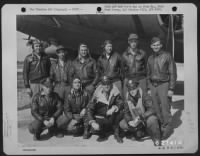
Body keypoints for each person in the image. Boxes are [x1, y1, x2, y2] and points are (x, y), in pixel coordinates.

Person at [147, 37, 177, 140]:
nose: (156, 47)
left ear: (161, 45)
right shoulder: (150, 58)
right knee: (156, 108)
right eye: (154, 45)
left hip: (164, 84)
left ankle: (166, 129)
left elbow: (173, 72)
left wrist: (171, 88)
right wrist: (148, 87)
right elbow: (148, 73)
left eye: (157, 45)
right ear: (151, 46)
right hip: (153, 85)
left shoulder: (167, 56)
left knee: (165, 108)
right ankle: (160, 126)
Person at [119, 78, 161, 146]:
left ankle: (156, 139)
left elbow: (152, 109)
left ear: (137, 87)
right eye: (130, 89)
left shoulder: (144, 94)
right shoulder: (127, 97)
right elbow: (126, 112)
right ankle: (140, 131)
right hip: (135, 119)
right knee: (122, 124)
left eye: (134, 88)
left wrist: (141, 117)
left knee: (152, 119)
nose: (132, 91)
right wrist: (130, 121)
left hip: (144, 118)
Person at [83, 76, 124, 143]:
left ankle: (117, 134)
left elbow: (121, 103)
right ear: (101, 85)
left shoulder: (115, 92)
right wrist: (92, 122)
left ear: (110, 84)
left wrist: (114, 108)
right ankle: (101, 132)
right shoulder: (96, 95)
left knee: (120, 112)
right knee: (94, 126)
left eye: (108, 84)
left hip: (111, 117)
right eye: (104, 84)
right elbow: (89, 109)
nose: (106, 86)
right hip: (101, 118)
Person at [122, 33, 147, 98]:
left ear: (137, 42)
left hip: (140, 79)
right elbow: (122, 69)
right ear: (128, 42)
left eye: (135, 41)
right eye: (131, 41)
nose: (133, 43)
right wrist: (126, 79)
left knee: (142, 99)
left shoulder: (143, 53)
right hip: (129, 79)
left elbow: (147, 68)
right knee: (127, 99)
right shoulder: (124, 55)